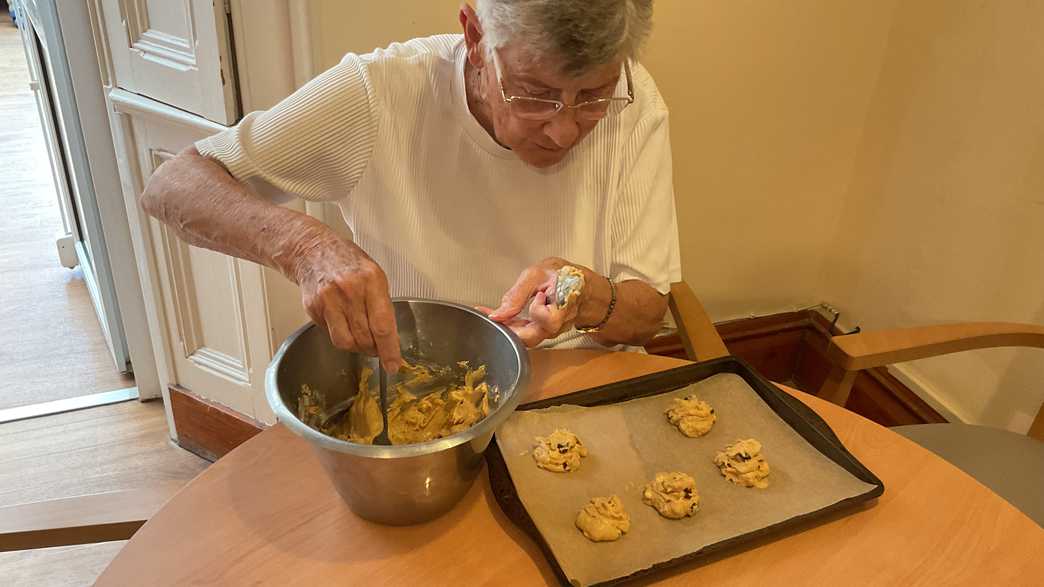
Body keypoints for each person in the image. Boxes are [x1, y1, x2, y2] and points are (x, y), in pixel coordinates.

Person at [140, 0, 680, 374]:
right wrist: (307, 248)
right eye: (533, 94)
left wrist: (585, 296)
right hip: (423, 395)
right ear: (475, 37)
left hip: (580, 398)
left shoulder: (635, 103)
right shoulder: (381, 93)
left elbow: (647, 313)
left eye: (592, 97)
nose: (565, 129)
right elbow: (173, 186)